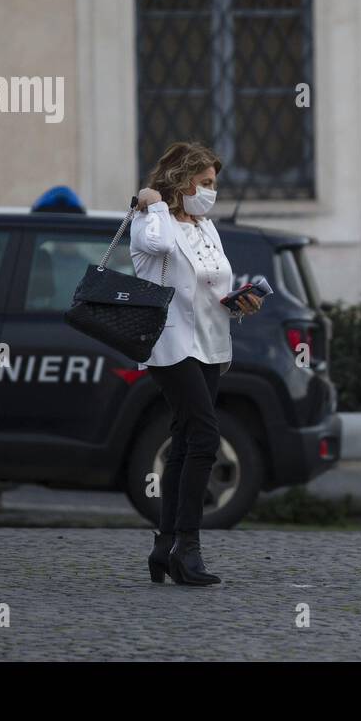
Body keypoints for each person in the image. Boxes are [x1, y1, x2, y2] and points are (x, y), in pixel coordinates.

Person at [131, 141, 263, 586]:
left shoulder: (207, 227)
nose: (211, 192)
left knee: (186, 440)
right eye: (205, 183)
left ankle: (165, 545)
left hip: (211, 344)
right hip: (170, 347)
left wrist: (239, 304)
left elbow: (213, 286)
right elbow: (162, 244)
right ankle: (188, 546)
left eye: (213, 184)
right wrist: (155, 203)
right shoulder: (150, 222)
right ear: (181, 180)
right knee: (205, 434)